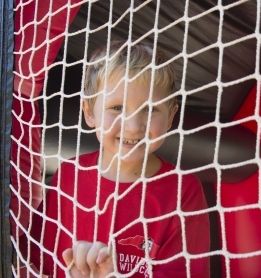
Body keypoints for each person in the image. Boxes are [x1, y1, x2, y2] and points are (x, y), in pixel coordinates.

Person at [21, 41, 210, 277]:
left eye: (150, 109)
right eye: (117, 107)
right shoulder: (69, 175)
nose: (132, 127)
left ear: (171, 116)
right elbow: (38, 261)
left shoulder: (184, 191)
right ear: (89, 112)